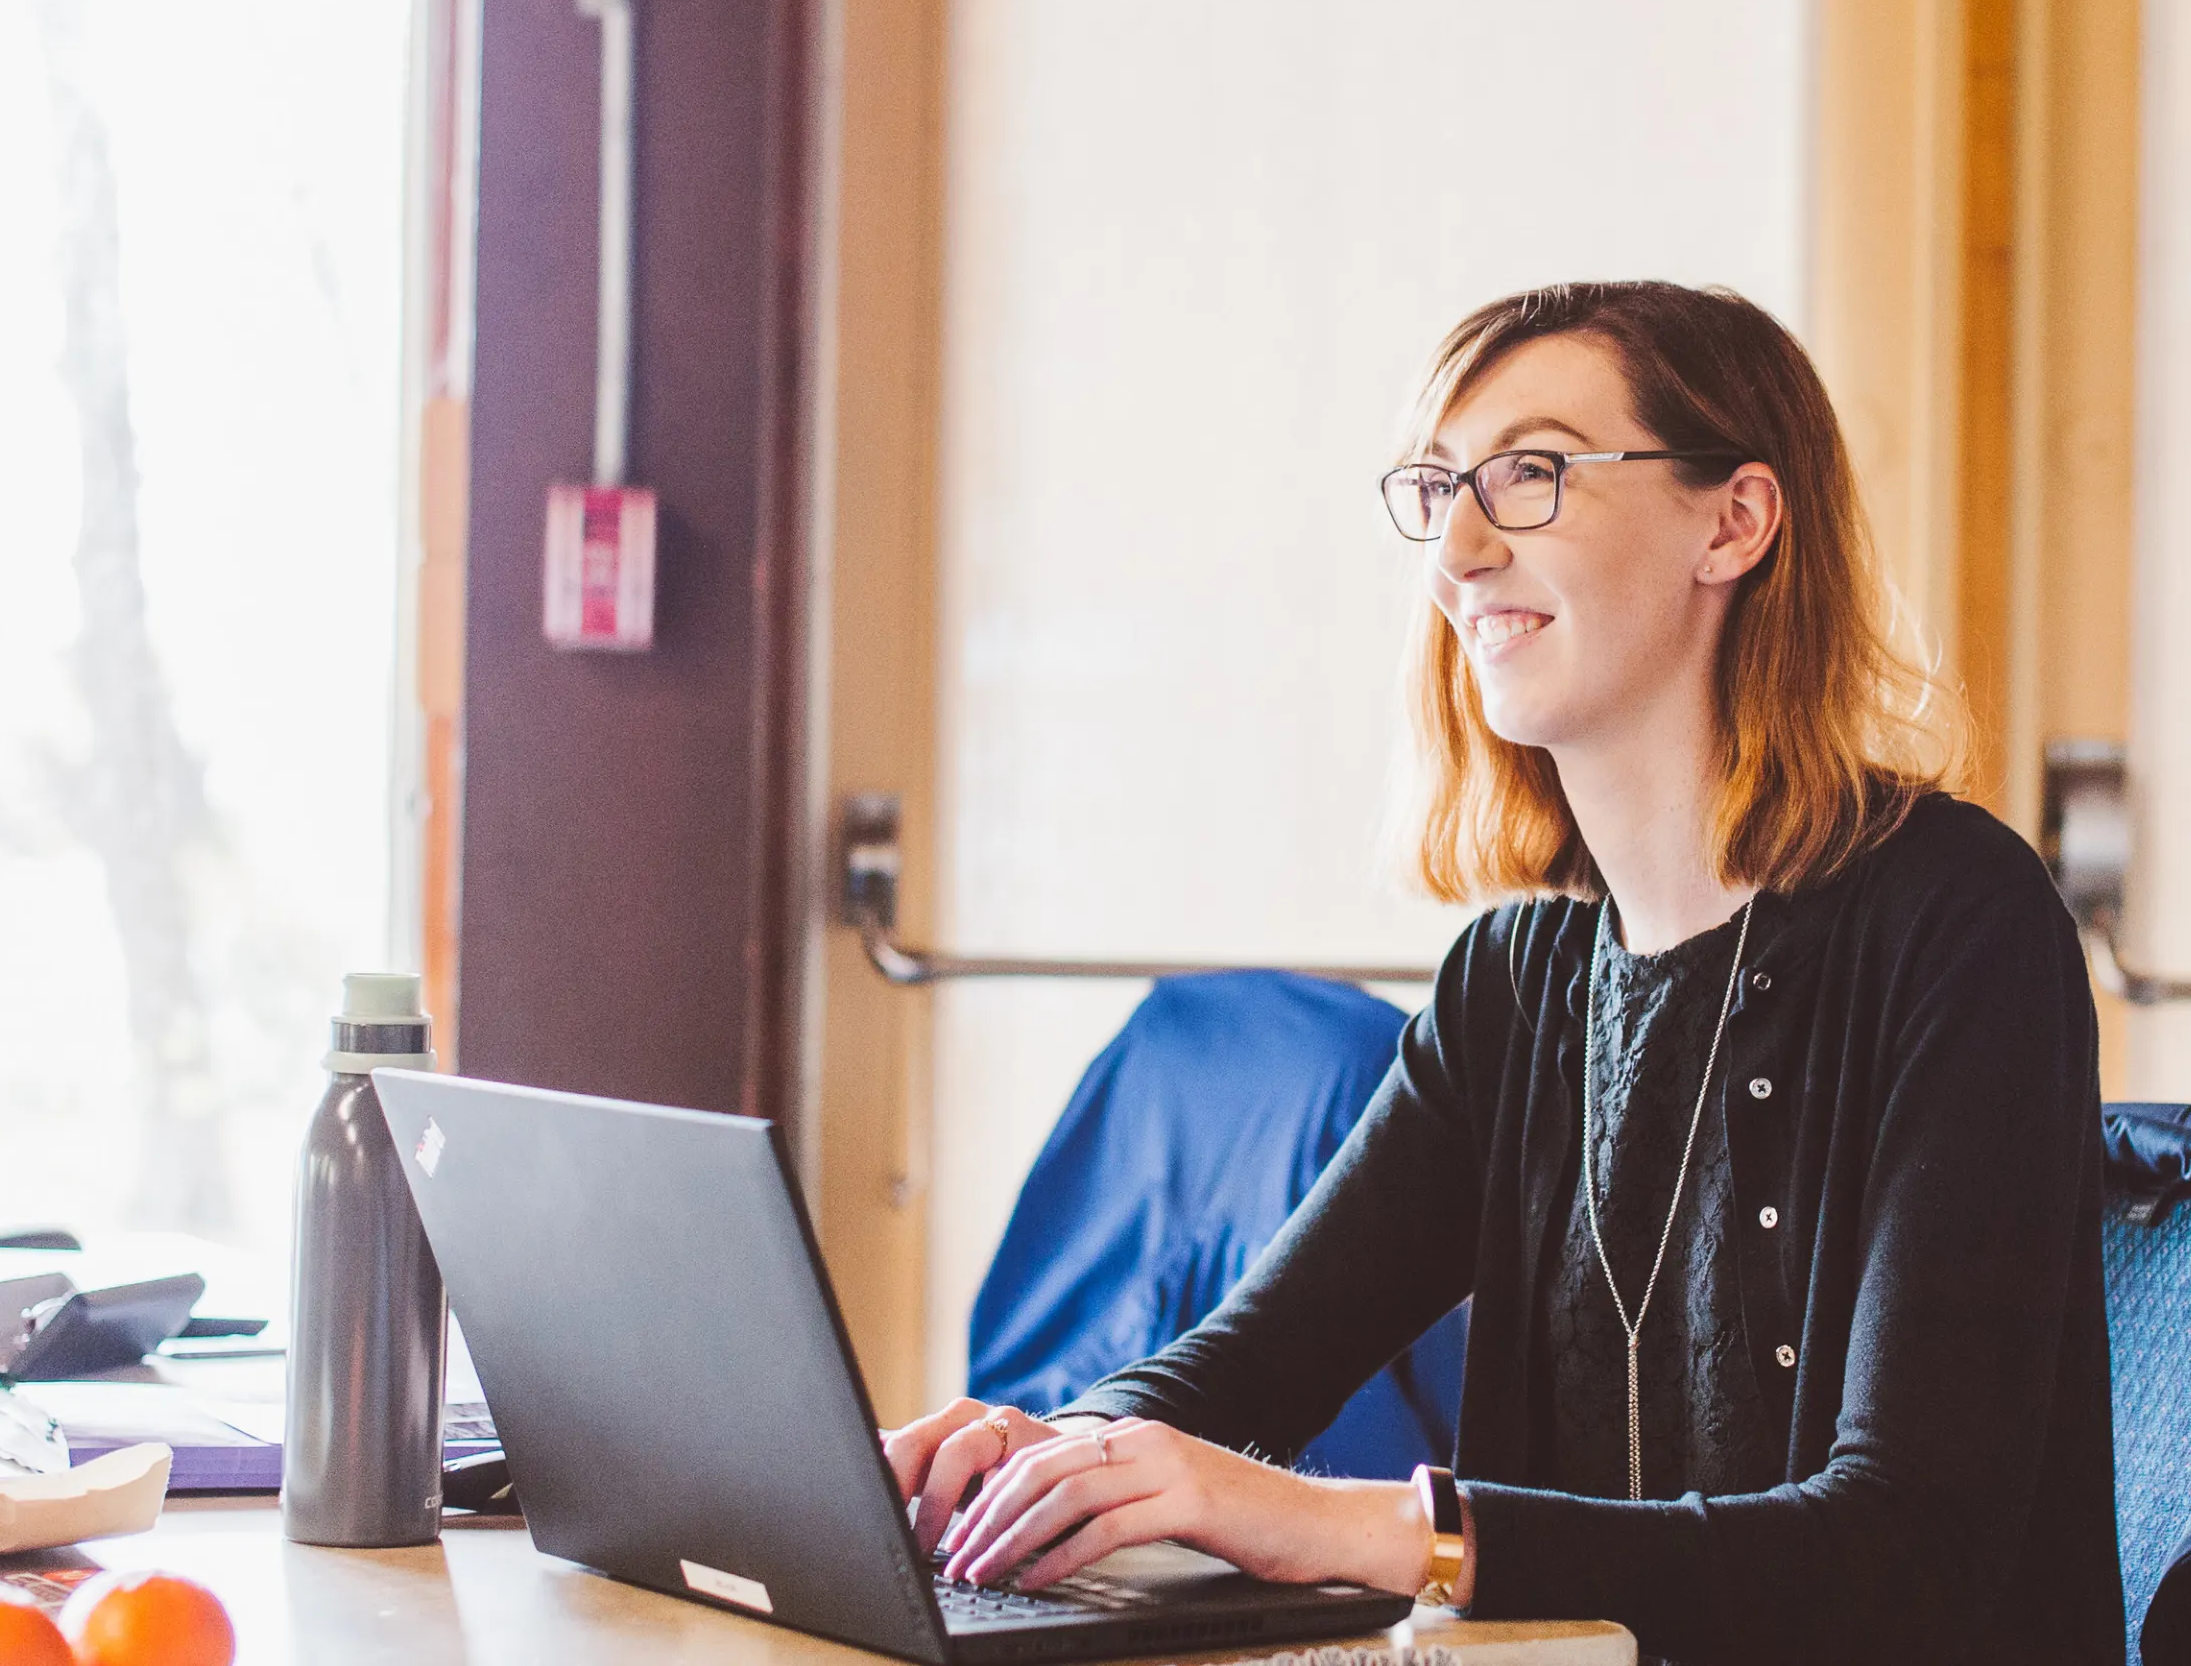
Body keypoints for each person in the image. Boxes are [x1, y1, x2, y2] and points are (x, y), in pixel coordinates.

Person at [890, 281, 2119, 1664]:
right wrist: (1053, 1449)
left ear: (1735, 522)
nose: (1460, 553)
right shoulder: (1518, 977)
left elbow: (1907, 1556)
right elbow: (1250, 1363)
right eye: (1439, 489)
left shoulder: (1958, 920)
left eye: (1531, 475)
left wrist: (1364, 1527)